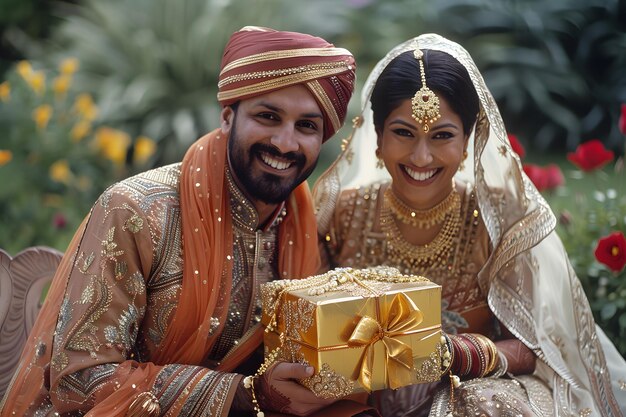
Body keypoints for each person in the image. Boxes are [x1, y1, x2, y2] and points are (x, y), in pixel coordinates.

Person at [0, 26, 363, 417]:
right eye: (268, 116)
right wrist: (243, 395)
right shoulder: (136, 212)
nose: (285, 143)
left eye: (307, 126)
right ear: (227, 116)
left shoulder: (305, 223)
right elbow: (79, 378)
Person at [313, 33, 626, 416]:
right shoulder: (342, 215)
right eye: (403, 133)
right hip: (360, 396)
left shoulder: (497, 218)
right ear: (377, 138)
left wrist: (451, 353)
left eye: (442, 135)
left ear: (467, 143)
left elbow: (535, 347)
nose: (421, 156)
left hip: (468, 390)